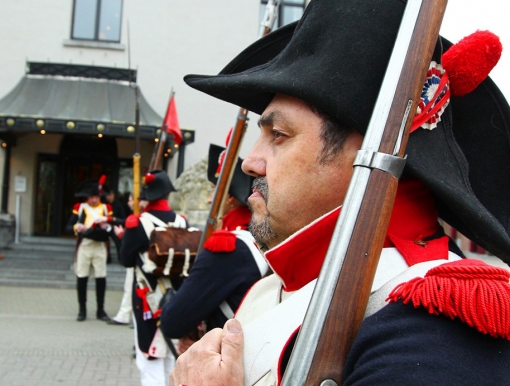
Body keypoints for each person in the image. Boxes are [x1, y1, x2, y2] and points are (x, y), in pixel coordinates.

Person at [170, 0, 510, 385]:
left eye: (278, 135)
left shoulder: (434, 329)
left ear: (366, 155)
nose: (251, 162)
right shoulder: (275, 286)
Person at [160, 142, 268, 354]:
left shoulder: (229, 247)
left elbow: (172, 322)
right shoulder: (262, 237)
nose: (209, 199)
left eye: (213, 191)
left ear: (228, 198)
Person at [119, 170, 187, 386]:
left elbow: (126, 259)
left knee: (148, 358)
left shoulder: (137, 223)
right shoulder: (181, 221)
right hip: (177, 297)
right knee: (170, 356)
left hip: (147, 297)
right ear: (167, 195)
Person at [66, 176, 118, 322]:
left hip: (100, 246)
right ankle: (82, 309)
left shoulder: (106, 209)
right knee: (82, 277)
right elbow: (68, 226)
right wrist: (78, 227)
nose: (94, 200)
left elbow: (112, 227)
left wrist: (106, 227)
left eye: (96, 197)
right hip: (85, 245)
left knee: (101, 278)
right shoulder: (80, 208)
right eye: (91, 197)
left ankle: (100, 310)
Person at [108, 193, 148, 326]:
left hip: (141, 260)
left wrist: (121, 235)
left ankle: (126, 315)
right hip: (141, 260)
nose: (129, 203)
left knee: (131, 287)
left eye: (131, 200)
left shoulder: (142, 218)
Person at [104, 189, 127, 264]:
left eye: (109, 195)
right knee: (105, 242)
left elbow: (123, 218)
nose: (107, 197)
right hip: (105, 226)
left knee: (118, 243)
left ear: (113, 195)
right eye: (106, 195)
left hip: (115, 227)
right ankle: (107, 258)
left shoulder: (118, 205)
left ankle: (121, 259)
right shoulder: (104, 204)